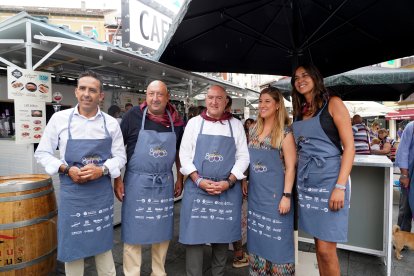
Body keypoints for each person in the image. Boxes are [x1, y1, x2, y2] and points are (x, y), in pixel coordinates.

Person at [34, 70, 126, 275]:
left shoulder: (111, 123)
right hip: (73, 193)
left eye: (92, 90)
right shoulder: (59, 119)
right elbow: (42, 153)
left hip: (100, 194)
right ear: (76, 92)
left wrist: (101, 170)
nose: (87, 94)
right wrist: (66, 169)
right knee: (73, 247)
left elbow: (121, 157)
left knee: (102, 245)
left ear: (100, 96)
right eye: (82, 88)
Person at [114, 80, 185, 276]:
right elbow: (118, 150)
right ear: (146, 96)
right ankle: (131, 272)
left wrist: (180, 178)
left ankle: (158, 272)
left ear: (167, 97)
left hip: (164, 182)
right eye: (151, 94)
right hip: (136, 182)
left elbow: (180, 152)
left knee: (162, 230)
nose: (155, 98)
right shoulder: (132, 116)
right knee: (132, 229)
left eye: (160, 94)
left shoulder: (176, 121)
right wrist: (117, 179)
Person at [290, 64, 355, 276]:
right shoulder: (300, 112)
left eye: (305, 75)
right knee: (319, 247)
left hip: (331, 181)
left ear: (316, 78)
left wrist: (340, 186)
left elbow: (349, 148)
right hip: (308, 184)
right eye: (296, 77)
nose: (300, 79)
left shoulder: (333, 104)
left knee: (327, 251)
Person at [179, 85, 250, 276]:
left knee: (222, 235)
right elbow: (184, 155)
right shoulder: (194, 123)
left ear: (226, 101)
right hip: (197, 188)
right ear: (205, 99)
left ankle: (217, 273)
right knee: (194, 237)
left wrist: (229, 180)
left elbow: (243, 157)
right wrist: (198, 179)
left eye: (219, 98)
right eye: (210, 97)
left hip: (226, 188)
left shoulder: (235, 125)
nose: (214, 102)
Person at [245, 87, 296, 275]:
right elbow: (248, 160)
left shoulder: (285, 133)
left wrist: (286, 196)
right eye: (260, 101)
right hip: (256, 196)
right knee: (258, 240)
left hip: (276, 198)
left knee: (277, 242)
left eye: (267, 101)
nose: (262, 105)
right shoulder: (253, 130)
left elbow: (291, 167)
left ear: (277, 105)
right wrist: (244, 180)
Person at [395, 121, 414, 233]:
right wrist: (404, 175)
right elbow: (403, 151)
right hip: (409, 174)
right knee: (405, 209)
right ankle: (400, 241)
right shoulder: (411, 127)